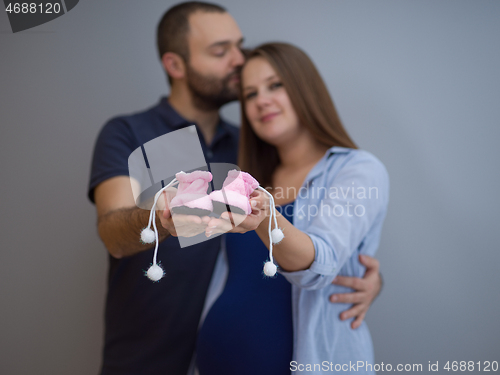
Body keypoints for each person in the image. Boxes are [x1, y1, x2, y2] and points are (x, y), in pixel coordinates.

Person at [88, 2, 382, 374]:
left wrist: (364, 273)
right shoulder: (132, 134)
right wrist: (161, 219)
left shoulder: (250, 149)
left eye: (238, 46)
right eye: (220, 50)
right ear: (176, 65)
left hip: (215, 354)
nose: (238, 60)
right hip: (145, 355)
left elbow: (306, 236)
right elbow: (114, 233)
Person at [194, 43, 389, 374]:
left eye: (275, 85)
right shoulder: (244, 180)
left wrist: (267, 220)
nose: (261, 101)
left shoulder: (358, 170)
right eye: (250, 94)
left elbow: (320, 264)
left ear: (304, 88)